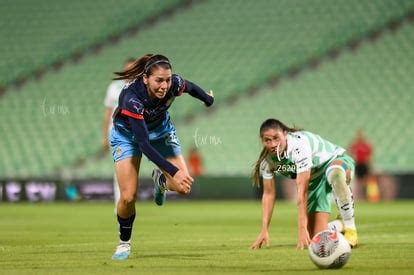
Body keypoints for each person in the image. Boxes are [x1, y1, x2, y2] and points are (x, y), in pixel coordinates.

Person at [109, 54, 214, 260]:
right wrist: (173, 171)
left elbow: (190, 87)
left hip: (162, 132)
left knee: (183, 187)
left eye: (167, 80)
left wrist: (208, 99)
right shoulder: (132, 99)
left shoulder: (173, 83)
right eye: (159, 80)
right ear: (145, 79)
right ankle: (124, 243)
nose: (164, 85)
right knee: (128, 196)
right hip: (127, 137)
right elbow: (144, 144)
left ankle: (161, 180)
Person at [250, 119, 358, 250]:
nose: (273, 144)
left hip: (337, 161)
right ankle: (341, 224)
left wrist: (301, 229)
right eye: (267, 140)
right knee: (317, 238)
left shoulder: (298, 147)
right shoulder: (267, 161)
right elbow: (268, 194)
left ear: (285, 134)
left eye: (276, 138)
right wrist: (264, 229)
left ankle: (350, 227)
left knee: (334, 174)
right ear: (262, 140)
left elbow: (302, 192)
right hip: (316, 181)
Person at [103, 58, 136, 212]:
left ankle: (127, 200)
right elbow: (108, 113)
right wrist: (104, 136)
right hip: (116, 132)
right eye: (128, 68)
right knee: (121, 169)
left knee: (131, 169)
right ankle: (121, 203)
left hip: (135, 132)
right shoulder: (114, 87)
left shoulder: (140, 87)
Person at [349, 129, 378, 201]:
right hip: (357, 164)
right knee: (358, 181)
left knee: (366, 181)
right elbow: (351, 154)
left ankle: (367, 197)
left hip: (364, 164)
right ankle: (359, 197)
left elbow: (370, 156)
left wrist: (370, 165)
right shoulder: (354, 145)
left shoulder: (366, 145)